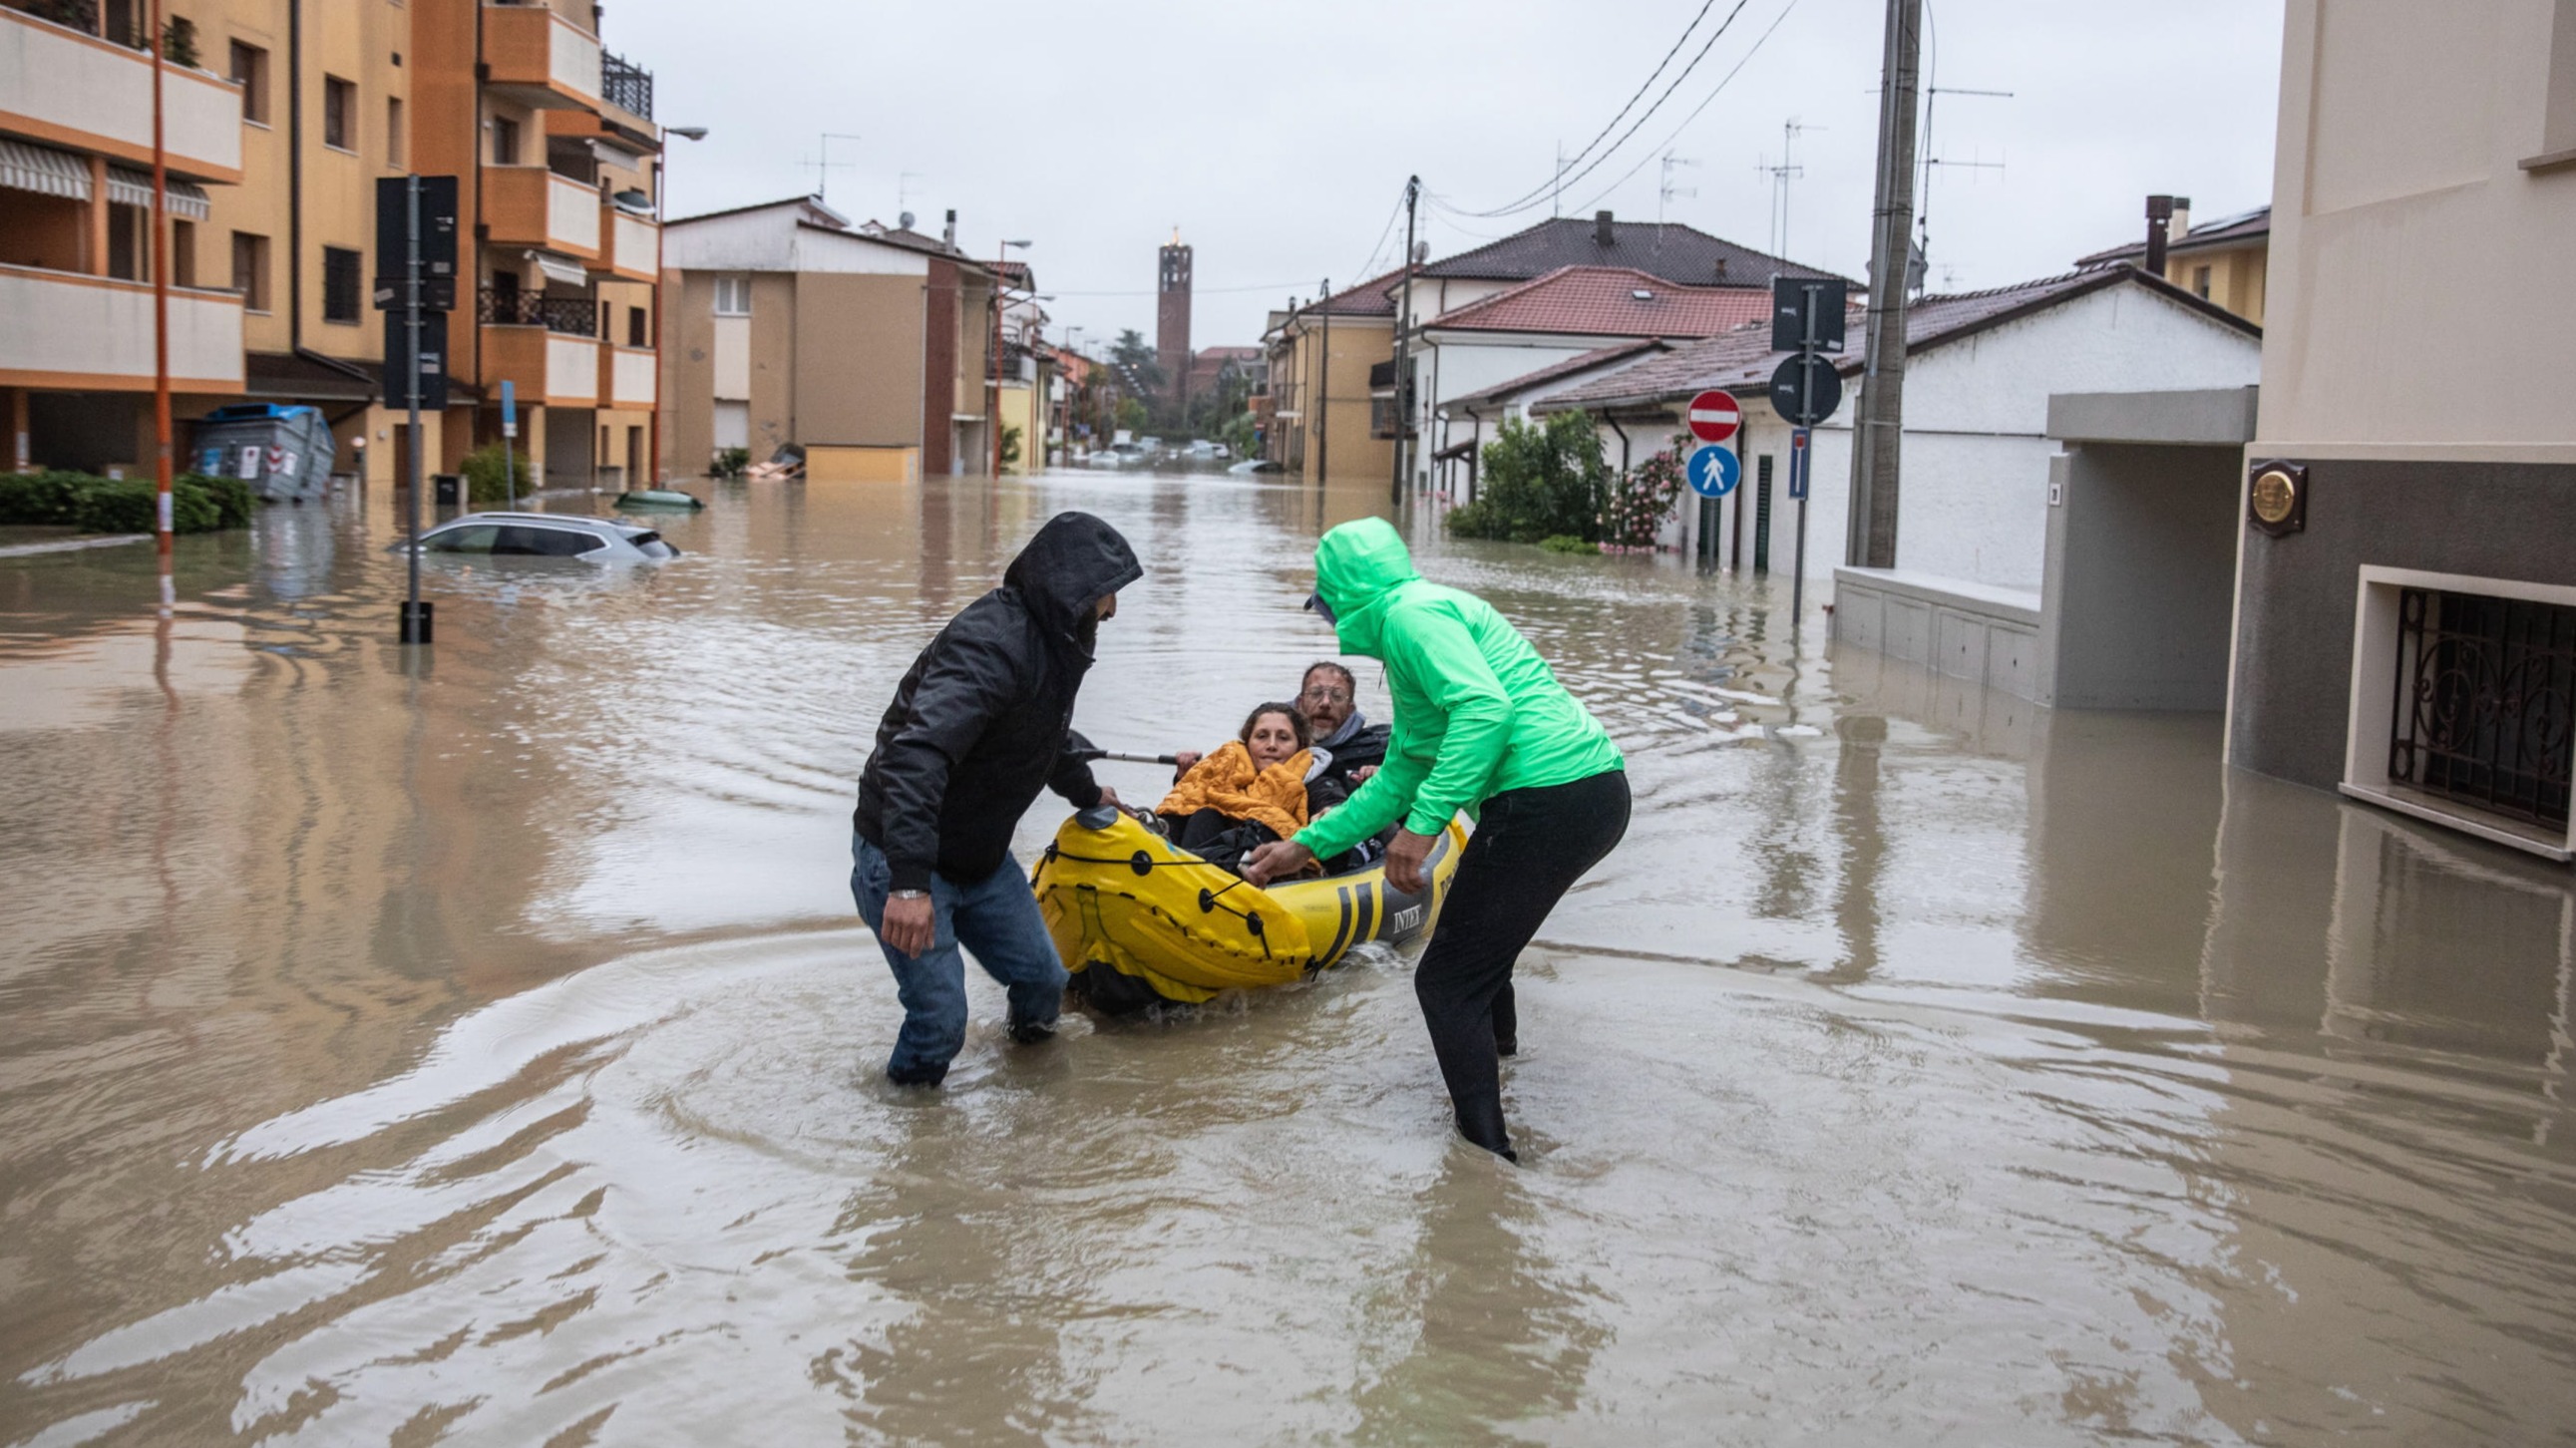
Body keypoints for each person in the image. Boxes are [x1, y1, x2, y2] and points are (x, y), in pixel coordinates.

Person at [1244, 518, 1628, 1161]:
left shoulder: (1411, 618)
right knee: (1480, 953)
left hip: (1550, 798)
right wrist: (1303, 846)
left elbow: (1487, 711)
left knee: (1444, 982)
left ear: (1344, 593)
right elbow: (1401, 773)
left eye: (1325, 602)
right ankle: (1502, 1065)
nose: (1326, 617)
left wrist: (1421, 830)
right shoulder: (1415, 625)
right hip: (1581, 793)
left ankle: (1486, 1160)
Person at [851, 511, 1142, 1087]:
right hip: (908, 858)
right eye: (1109, 593)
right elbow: (917, 757)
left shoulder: (1062, 641)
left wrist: (1087, 793)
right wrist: (908, 883)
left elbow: (1045, 734)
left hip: (981, 859)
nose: (1113, 609)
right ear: (1075, 586)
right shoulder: (991, 645)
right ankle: (911, 1129)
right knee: (941, 1022)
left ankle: (1030, 1085)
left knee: (1044, 984)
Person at [1154, 702, 1315, 868]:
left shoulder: (1315, 777)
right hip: (1212, 856)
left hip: (1266, 864)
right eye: (1261, 736)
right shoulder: (1223, 765)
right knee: (1204, 816)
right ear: (1247, 742)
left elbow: (1331, 800)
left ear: (1300, 746)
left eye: (1283, 738)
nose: (1272, 745)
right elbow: (1186, 801)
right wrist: (1183, 777)